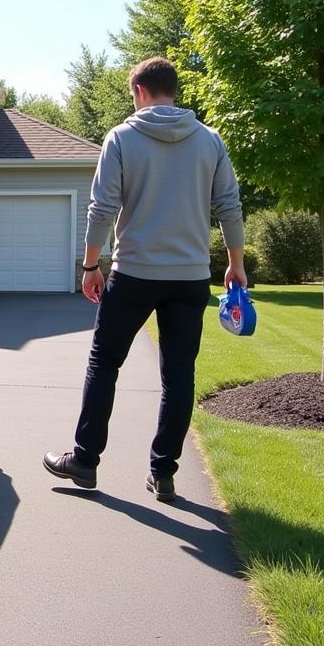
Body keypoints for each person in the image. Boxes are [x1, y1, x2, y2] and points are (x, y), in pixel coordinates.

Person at [43, 57, 246, 502]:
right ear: (174, 90)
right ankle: (164, 472)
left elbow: (102, 208)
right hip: (190, 278)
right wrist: (236, 263)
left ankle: (85, 461)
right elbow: (229, 205)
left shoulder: (122, 137)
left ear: (139, 91)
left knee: (104, 363)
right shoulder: (210, 141)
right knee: (178, 375)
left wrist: (90, 266)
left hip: (133, 274)